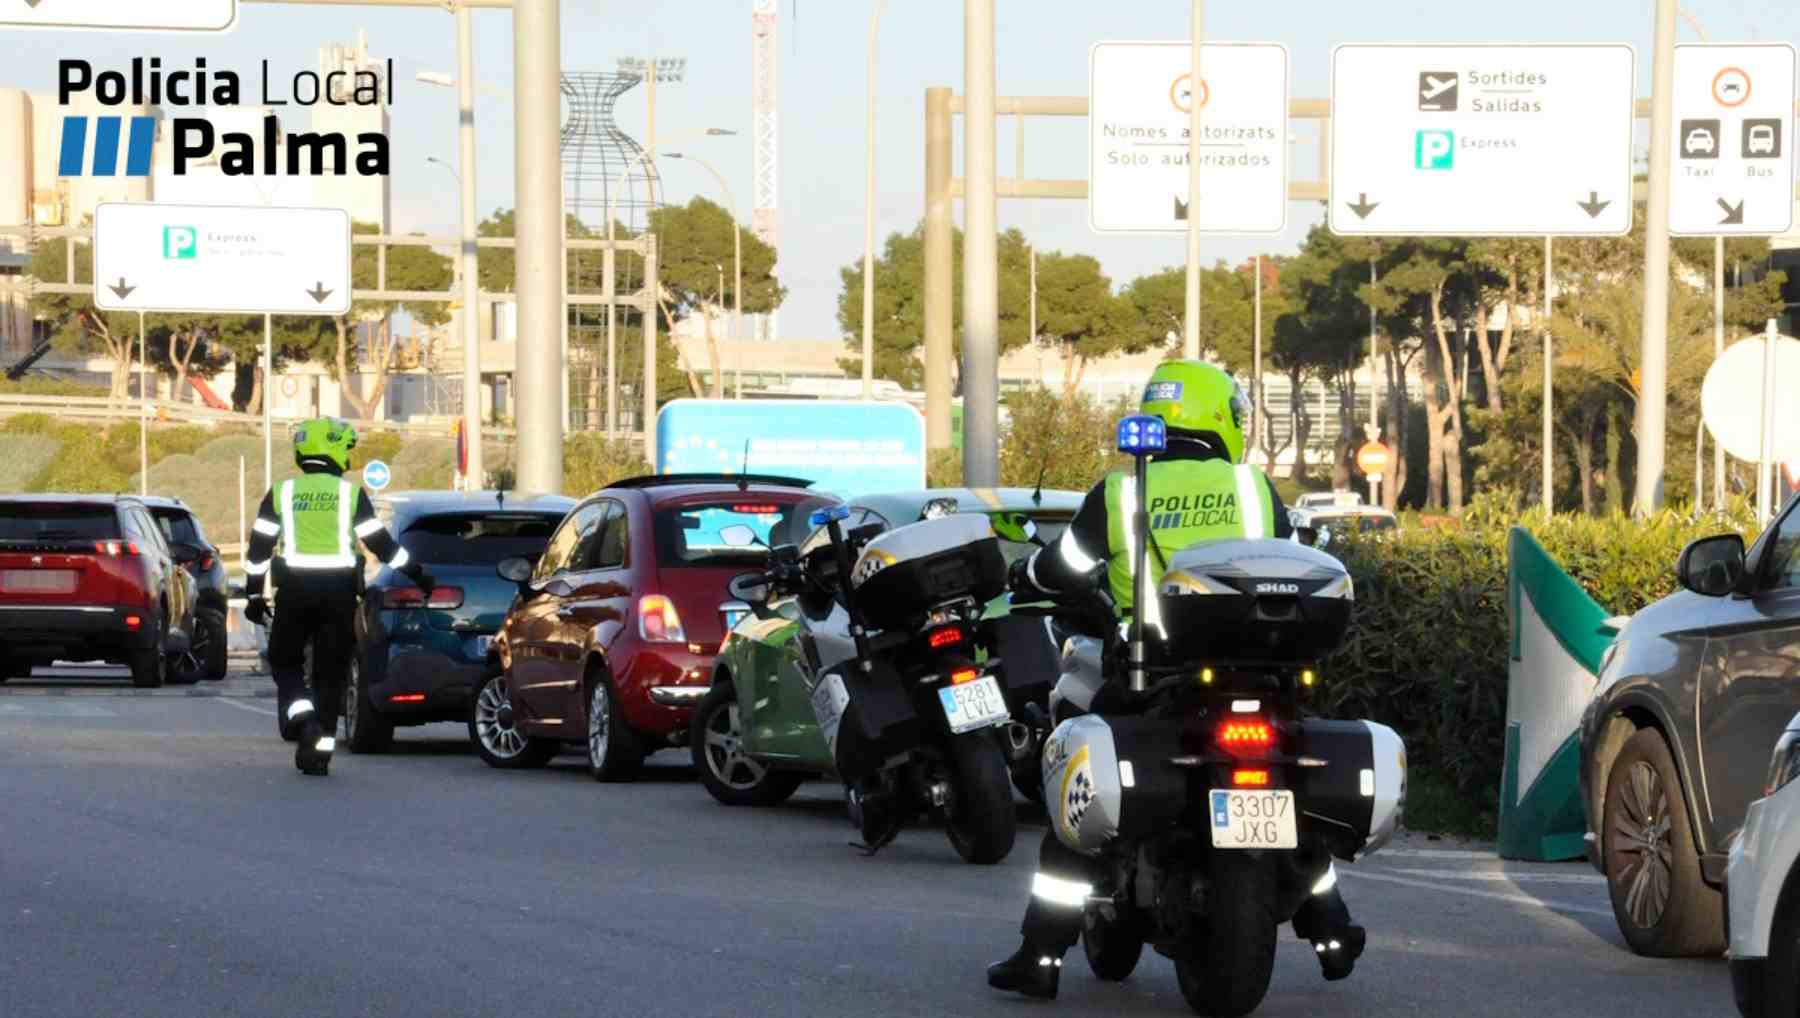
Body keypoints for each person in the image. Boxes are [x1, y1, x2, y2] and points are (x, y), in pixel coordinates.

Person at [986, 360, 1365, 1000]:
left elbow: (1064, 568)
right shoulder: (1254, 488)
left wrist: (1026, 578)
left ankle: (1041, 955)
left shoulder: (1122, 491)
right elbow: (1289, 555)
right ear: (1220, 416)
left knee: (1079, 800)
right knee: (1293, 794)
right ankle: (1331, 925)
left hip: (1150, 672)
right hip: (1262, 674)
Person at [243, 418, 431, 776]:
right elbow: (380, 544)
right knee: (332, 673)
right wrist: (418, 574)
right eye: (345, 449)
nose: (347, 456)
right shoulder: (351, 494)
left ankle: (304, 720)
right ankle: (320, 749)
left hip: (295, 591)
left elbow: (259, 548)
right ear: (333, 450)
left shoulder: (281, 492)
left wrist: (253, 594)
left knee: (285, 660)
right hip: (340, 593)